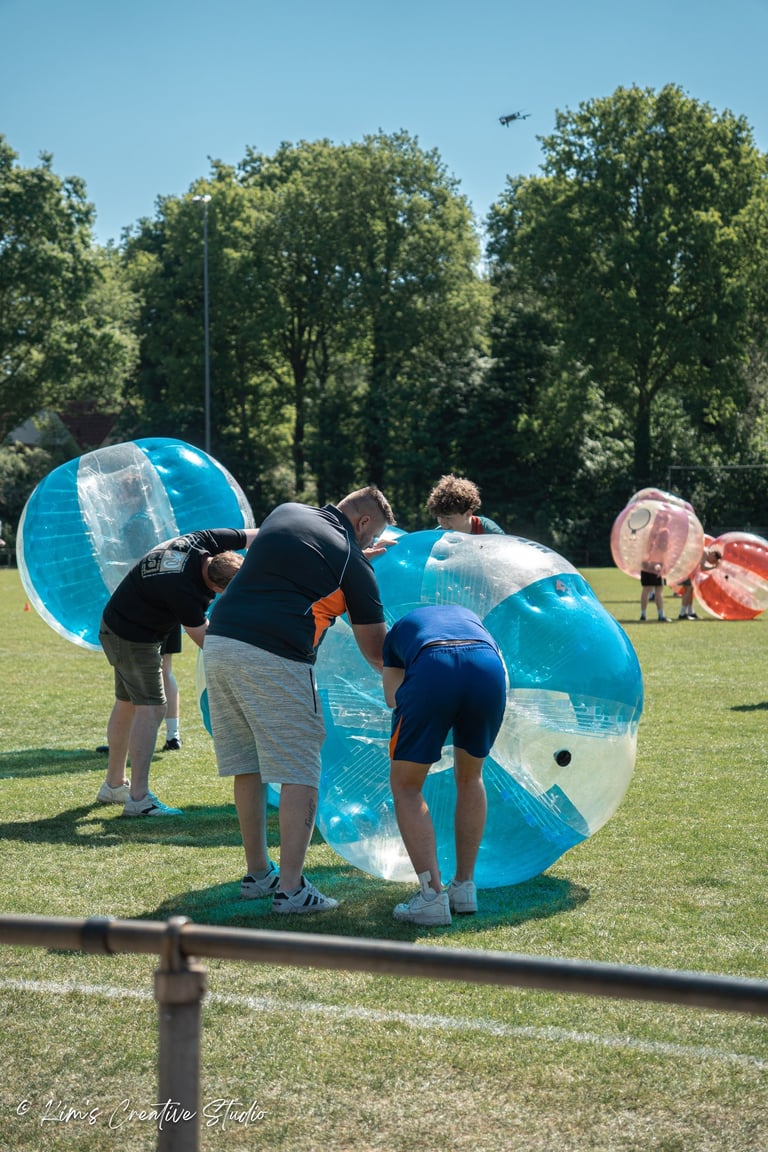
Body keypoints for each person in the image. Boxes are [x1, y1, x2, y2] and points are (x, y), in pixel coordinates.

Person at [204, 487, 396, 915]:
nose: (367, 544)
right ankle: (291, 890)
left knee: (249, 764)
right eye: (369, 536)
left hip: (219, 642)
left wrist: (354, 560)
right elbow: (376, 652)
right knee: (301, 770)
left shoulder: (286, 512)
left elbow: (299, 560)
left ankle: (258, 874)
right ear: (363, 522)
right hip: (275, 654)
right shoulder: (351, 561)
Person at [96, 528, 256, 816]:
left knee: (127, 703)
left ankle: (114, 785)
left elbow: (260, 534)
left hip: (117, 624)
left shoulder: (203, 541)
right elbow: (209, 643)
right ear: (216, 587)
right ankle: (139, 799)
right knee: (152, 708)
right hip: (133, 637)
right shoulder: (185, 592)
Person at [382, 603, 507, 926]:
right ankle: (464, 887)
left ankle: (430, 897)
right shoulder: (469, 617)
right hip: (488, 666)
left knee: (406, 786)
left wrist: (435, 715)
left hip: (432, 666)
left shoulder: (396, 633)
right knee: (471, 777)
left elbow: (394, 697)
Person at [425, 475, 504, 535]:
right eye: (439, 516)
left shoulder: (490, 532)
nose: (442, 523)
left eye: (448, 518)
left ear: (468, 514)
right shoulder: (437, 536)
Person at [160, 627, 183, 750]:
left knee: (132, 672)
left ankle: (124, 738)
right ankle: (173, 736)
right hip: (171, 618)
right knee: (166, 671)